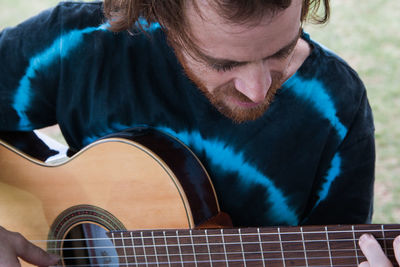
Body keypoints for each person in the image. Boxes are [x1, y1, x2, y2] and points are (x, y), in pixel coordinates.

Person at [0, 0, 392, 266]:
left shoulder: (335, 108)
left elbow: (346, 251)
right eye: (223, 63)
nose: (257, 90)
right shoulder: (82, 46)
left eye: (280, 52)